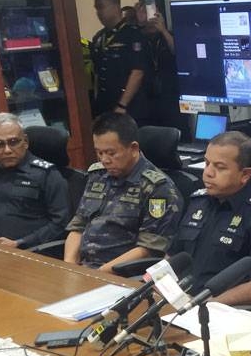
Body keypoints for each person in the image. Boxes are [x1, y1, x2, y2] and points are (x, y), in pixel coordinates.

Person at [168, 131, 251, 305]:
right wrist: (161, 289)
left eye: (220, 167)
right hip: (178, 301)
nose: (208, 173)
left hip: (219, 308)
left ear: (245, 175)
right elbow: (172, 256)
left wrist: (204, 304)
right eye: (207, 163)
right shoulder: (197, 201)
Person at [64, 112, 182, 272]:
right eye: (99, 152)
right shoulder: (97, 175)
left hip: (121, 274)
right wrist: (69, 266)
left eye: (111, 153)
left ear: (133, 149)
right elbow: (79, 226)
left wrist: (99, 274)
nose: (104, 160)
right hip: (84, 269)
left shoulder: (158, 189)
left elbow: (148, 249)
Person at [0, 113, 70, 249]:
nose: (7, 150)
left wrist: (20, 243)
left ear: (25, 142)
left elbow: (61, 223)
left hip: (33, 251)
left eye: (13, 142)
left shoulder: (47, 174)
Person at [89, 0, 152, 123]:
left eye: (101, 7)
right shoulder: (99, 37)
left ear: (116, 6)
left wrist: (122, 105)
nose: (99, 13)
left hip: (129, 108)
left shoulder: (132, 34)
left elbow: (137, 72)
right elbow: (97, 75)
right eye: (97, 8)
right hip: (105, 106)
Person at [135, 1, 186, 137]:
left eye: (153, 12)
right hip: (147, 102)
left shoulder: (169, 35)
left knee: (178, 138)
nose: (151, 17)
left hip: (171, 100)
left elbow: (179, 53)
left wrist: (163, 30)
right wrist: (139, 25)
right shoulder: (138, 38)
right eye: (145, 13)